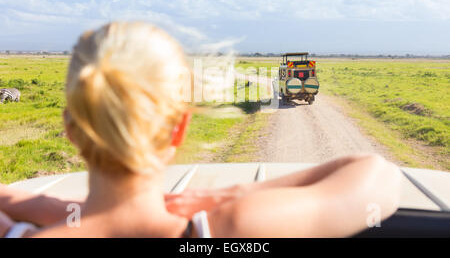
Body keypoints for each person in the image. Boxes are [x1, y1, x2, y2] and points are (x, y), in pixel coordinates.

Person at [0, 22, 402, 237]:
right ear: (180, 127)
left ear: (71, 128)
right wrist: (236, 193)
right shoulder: (221, 230)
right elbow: (378, 177)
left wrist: (45, 208)